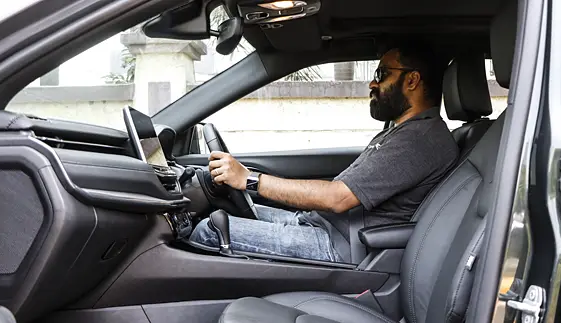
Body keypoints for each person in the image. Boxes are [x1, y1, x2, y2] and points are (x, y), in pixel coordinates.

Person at [187, 46, 459, 264]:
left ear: (412, 80)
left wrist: (249, 180)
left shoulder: (419, 140)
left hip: (341, 244)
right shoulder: (403, 130)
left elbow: (337, 197)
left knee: (209, 231)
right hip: (323, 226)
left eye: (382, 73)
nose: (372, 83)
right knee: (227, 208)